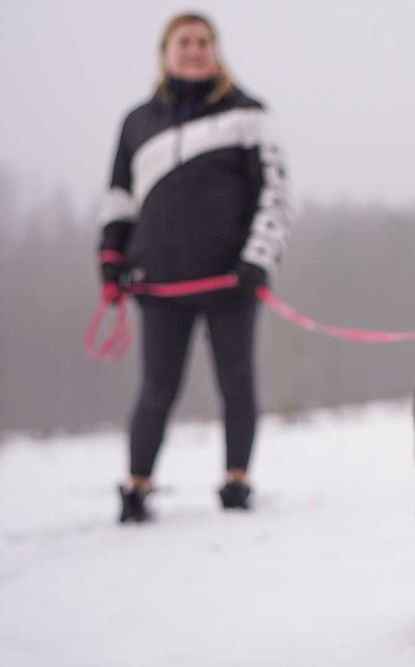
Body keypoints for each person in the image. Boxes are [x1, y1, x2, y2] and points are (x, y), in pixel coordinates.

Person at [96, 13, 292, 522]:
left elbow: (274, 193)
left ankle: (237, 482)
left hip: (231, 281)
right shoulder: (137, 122)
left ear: (216, 51)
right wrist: (111, 261)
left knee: (237, 385)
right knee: (156, 390)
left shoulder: (249, 113)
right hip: (159, 283)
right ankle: (136, 487)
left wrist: (257, 258)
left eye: (204, 41)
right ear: (165, 51)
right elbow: (118, 197)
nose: (194, 49)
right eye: (184, 41)